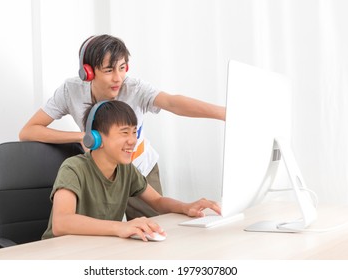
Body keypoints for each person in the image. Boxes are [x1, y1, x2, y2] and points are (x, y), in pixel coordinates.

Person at [19, 34, 225, 221]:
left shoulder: (134, 88)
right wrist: (83, 136)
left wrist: (225, 113)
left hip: (138, 171)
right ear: (88, 72)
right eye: (109, 70)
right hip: (101, 172)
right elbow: (28, 131)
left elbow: (173, 103)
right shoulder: (70, 91)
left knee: (153, 231)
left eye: (122, 68)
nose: (118, 78)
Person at [41, 100, 221, 241]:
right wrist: (119, 227)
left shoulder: (126, 169)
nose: (133, 140)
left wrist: (186, 207)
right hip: (60, 253)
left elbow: (157, 201)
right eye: (124, 132)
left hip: (96, 250)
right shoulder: (73, 168)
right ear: (95, 138)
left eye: (135, 132)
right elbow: (61, 222)